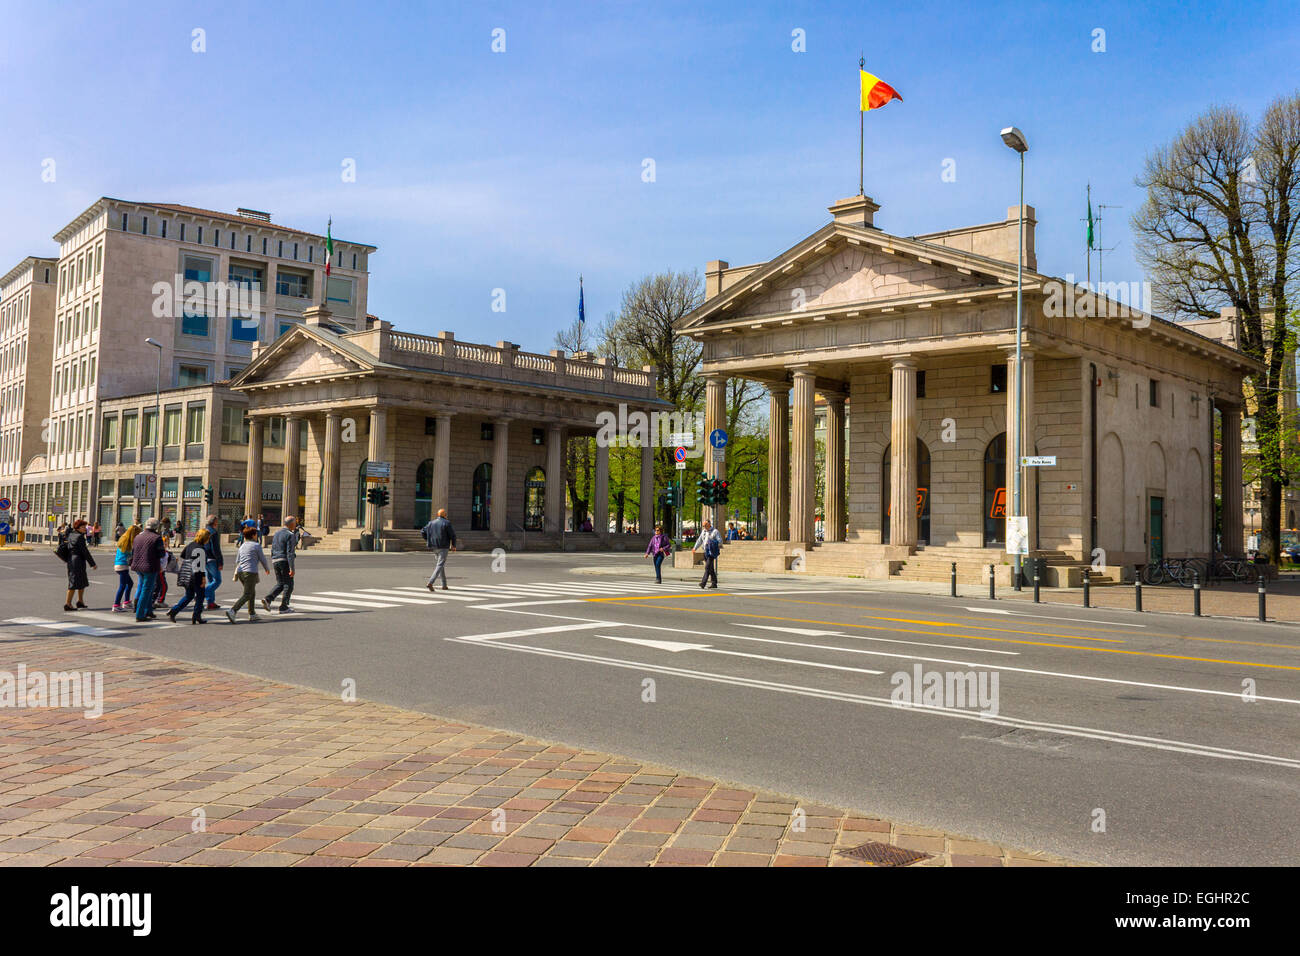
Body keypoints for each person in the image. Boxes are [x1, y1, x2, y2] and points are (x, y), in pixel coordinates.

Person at [227, 526, 269, 624]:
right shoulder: (256, 546)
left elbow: (237, 560)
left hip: (241, 572)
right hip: (250, 572)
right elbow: (262, 558)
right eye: (256, 534)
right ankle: (233, 610)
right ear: (253, 535)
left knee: (251, 592)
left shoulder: (242, 546)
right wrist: (266, 568)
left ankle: (252, 613)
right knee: (247, 594)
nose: (257, 535)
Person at [168, 529, 210, 624]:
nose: (208, 540)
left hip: (187, 574)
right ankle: (196, 616)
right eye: (208, 538)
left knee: (189, 595)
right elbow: (201, 566)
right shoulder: (201, 549)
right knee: (200, 596)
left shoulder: (190, 545)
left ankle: (174, 611)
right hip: (197, 575)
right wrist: (203, 579)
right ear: (205, 538)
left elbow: (183, 556)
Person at [130, 517, 166, 621]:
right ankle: (140, 615)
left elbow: (133, 551)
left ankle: (149, 611)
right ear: (156, 527)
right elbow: (161, 553)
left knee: (148, 589)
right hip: (150, 566)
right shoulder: (156, 537)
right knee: (146, 591)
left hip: (137, 566)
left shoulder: (138, 537)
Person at [263, 516, 299, 614]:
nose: (296, 524)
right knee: (289, 584)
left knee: (281, 583)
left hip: (275, 559)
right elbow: (290, 553)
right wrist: (292, 568)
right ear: (291, 524)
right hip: (284, 560)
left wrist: (273, 559)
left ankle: (268, 599)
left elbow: (273, 548)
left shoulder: (277, 533)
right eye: (295, 522)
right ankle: (284, 606)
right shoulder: (290, 535)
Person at [61, 518, 97, 611]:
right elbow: (85, 551)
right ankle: (68, 604)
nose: (85, 528)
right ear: (78, 527)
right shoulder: (80, 537)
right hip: (77, 561)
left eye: (85, 526)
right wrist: (92, 564)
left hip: (71, 560)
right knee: (74, 582)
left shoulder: (71, 534)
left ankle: (80, 601)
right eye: (83, 527)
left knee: (82, 581)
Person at [422, 508, 457, 591]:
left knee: (440, 565)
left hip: (434, 546)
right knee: (440, 565)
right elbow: (452, 535)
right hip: (443, 547)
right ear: (445, 515)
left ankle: (444, 585)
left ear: (438, 515)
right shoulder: (447, 523)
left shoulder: (431, 523)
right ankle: (430, 582)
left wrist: (428, 540)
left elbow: (423, 531)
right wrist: (453, 545)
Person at [113, 524, 139, 611]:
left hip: (119, 564)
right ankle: (116, 604)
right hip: (122, 565)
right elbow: (131, 554)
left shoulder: (124, 538)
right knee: (122, 585)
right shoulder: (128, 542)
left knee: (130, 583)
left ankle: (127, 602)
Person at [203, 514, 225, 609]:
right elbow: (215, 549)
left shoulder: (203, 531)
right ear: (214, 522)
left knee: (210, 580)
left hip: (204, 558)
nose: (218, 523)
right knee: (217, 580)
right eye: (217, 521)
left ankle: (210, 602)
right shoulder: (213, 533)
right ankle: (203, 593)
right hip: (212, 559)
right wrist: (220, 562)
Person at [694, 519, 722, 589]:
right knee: (710, 568)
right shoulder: (703, 531)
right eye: (703, 526)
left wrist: (712, 543)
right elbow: (699, 540)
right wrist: (695, 548)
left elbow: (720, 541)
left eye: (705, 525)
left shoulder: (715, 531)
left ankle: (703, 583)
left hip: (712, 552)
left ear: (709, 524)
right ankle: (714, 583)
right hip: (705, 551)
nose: (704, 527)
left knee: (707, 567)